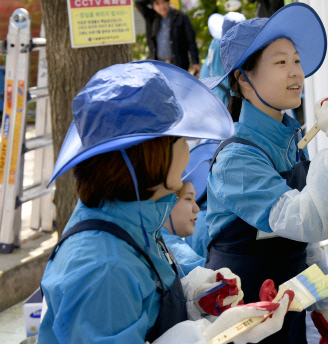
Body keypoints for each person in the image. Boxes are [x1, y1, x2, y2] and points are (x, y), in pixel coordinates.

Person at [37, 61, 292, 344]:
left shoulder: (128, 215)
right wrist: (207, 336)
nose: (188, 149)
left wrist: (193, 299)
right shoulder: (103, 268)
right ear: (149, 155)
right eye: (180, 139)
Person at [202, 2, 328, 343]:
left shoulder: (293, 140)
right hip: (246, 321)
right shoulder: (237, 160)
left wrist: (324, 309)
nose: (295, 72)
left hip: (291, 310)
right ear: (243, 80)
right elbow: (311, 220)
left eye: (296, 60)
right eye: (280, 62)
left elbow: (306, 246)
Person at [135, 0, 201, 75]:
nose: (161, 6)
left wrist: (195, 61)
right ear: (153, 6)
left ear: (168, 2)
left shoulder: (180, 17)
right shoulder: (152, 18)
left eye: (163, 2)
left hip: (179, 65)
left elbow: (191, 40)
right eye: (157, 4)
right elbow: (138, 3)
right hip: (159, 65)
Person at [200, 12, 246, 106]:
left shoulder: (219, 41)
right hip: (217, 91)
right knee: (227, 118)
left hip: (218, 88)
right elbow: (223, 78)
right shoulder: (220, 47)